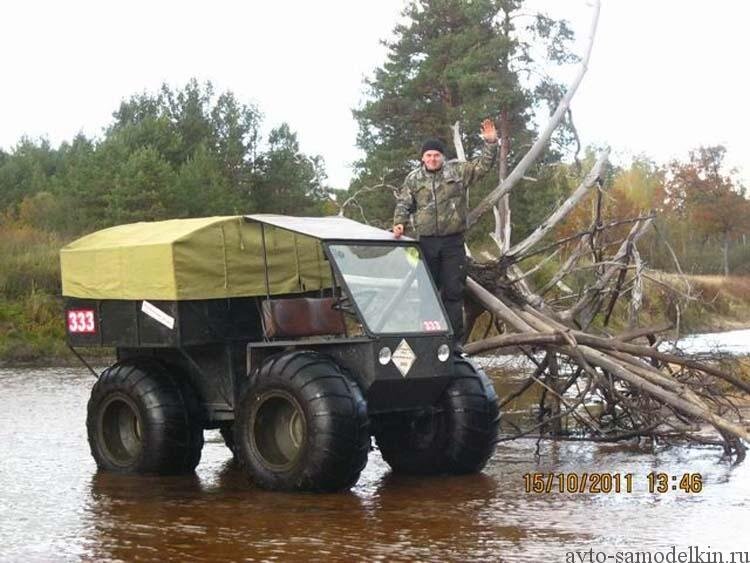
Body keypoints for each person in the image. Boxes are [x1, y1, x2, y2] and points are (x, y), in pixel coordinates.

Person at [392, 119, 498, 343]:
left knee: (453, 291)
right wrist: (399, 222)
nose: (432, 159)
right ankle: (430, 339)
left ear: (442, 157)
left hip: (453, 242)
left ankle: (454, 342)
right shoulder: (413, 179)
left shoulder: (458, 171)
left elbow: (483, 166)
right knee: (428, 291)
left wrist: (490, 143)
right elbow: (404, 203)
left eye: (436, 155)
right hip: (426, 243)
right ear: (423, 158)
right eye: (428, 155)